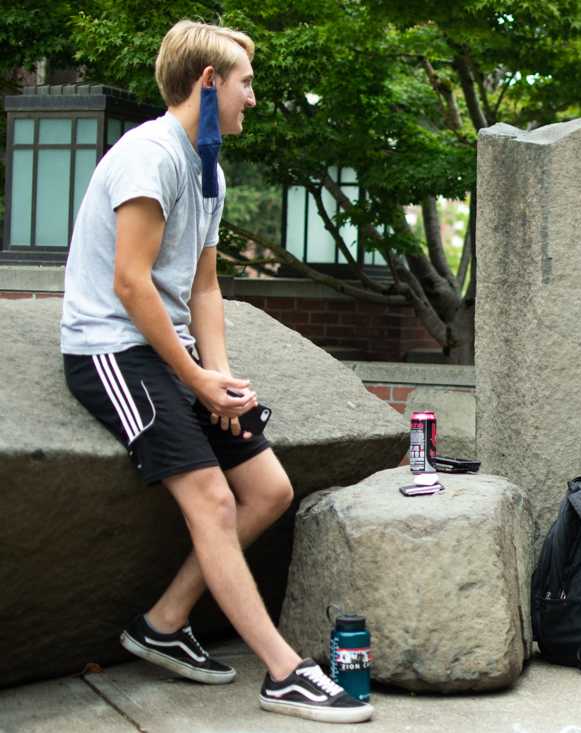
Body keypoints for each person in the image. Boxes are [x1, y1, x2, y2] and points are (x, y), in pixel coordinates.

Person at [59, 20, 373, 723]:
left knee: (267, 488)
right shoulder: (148, 156)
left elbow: (204, 289)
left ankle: (163, 622)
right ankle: (285, 669)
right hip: (111, 349)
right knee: (215, 498)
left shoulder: (208, 168)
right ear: (209, 83)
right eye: (245, 84)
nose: (252, 99)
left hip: (171, 352)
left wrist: (221, 380)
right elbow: (131, 285)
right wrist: (195, 380)